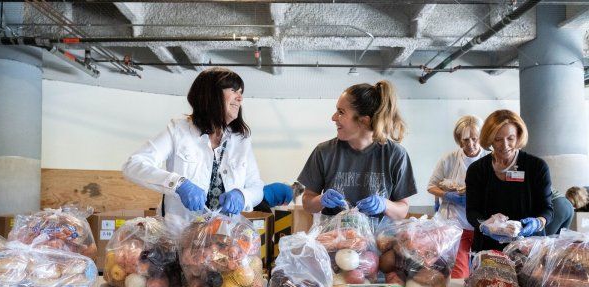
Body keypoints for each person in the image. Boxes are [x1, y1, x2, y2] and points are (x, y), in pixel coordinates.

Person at [122, 67, 264, 222]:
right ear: (211, 94)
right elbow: (133, 165)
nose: (240, 98)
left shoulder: (241, 139)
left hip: (225, 240)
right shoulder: (178, 130)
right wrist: (178, 184)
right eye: (234, 90)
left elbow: (256, 187)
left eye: (241, 92)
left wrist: (242, 195)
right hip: (181, 238)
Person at [297, 80, 417, 220]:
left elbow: (402, 210)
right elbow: (307, 203)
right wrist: (321, 200)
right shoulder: (324, 152)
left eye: (341, 112)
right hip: (334, 239)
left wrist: (385, 205)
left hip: (379, 241)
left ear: (364, 121)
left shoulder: (395, 155)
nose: (333, 117)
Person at [466, 109, 553, 252]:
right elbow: (472, 212)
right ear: (489, 139)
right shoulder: (477, 170)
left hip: (529, 247)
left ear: (519, 136)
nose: (505, 145)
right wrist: (485, 225)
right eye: (498, 139)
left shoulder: (536, 167)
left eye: (510, 138)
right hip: (488, 248)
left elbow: (547, 209)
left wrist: (537, 223)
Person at [427, 115, 488, 278]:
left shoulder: (490, 160)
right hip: (454, 225)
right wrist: (448, 195)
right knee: (459, 273)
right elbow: (431, 186)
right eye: (465, 140)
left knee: (482, 273)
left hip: (482, 226)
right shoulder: (449, 159)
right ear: (459, 140)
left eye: (474, 139)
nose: (470, 144)